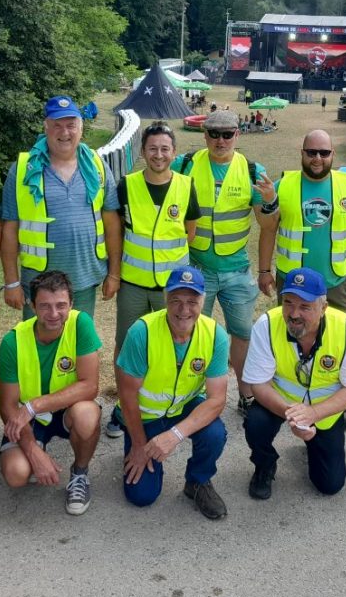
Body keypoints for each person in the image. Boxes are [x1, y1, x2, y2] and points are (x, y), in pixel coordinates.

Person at [172, 109, 278, 416]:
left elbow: (267, 225)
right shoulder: (185, 165)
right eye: (214, 134)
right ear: (204, 135)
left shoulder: (253, 171)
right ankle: (190, 396)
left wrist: (269, 201)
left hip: (236, 270)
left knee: (242, 334)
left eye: (227, 134)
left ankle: (246, 395)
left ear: (237, 135)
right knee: (190, 333)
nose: (221, 140)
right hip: (195, 269)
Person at [112, 266, 230, 519]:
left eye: (192, 301)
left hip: (183, 407)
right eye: (176, 300)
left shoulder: (215, 335)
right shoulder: (142, 332)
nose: (184, 310)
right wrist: (139, 446)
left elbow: (217, 399)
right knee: (142, 496)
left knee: (214, 433)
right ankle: (133, 442)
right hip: (144, 416)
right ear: (165, 299)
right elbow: (127, 395)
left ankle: (197, 481)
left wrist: (175, 434)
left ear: (203, 301)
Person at [106, 122, 200, 438]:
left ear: (174, 152)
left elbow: (189, 232)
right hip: (133, 283)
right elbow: (117, 231)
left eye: (164, 149)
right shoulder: (126, 185)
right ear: (143, 151)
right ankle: (124, 408)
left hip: (172, 288)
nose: (158, 155)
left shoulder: (186, 185)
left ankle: (166, 405)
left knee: (171, 345)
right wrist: (114, 274)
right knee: (126, 346)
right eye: (152, 148)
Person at [242, 268, 346, 499]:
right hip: (280, 402)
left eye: (305, 307)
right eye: (288, 303)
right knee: (255, 422)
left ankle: (316, 444)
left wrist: (313, 414)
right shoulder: (267, 325)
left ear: (323, 308)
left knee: (330, 485)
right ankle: (265, 464)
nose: (294, 314)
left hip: (324, 410)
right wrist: (293, 415)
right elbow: (258, 385)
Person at [0, 95, 121, 320]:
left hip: (83, 280)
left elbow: (112, 223)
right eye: (57, 125)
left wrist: (114, 274)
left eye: (71, 125)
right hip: (38, 283)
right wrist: (11, 282)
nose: (64, 132)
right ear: (46, 127)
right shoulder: (24, 169)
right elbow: (9, 228)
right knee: (38, 340)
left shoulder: (96, 165)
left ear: (81, 129)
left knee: (78, 338)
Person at [0, 270, 101, 515]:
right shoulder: (13, 341)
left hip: (62, 411)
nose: (54, 314)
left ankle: (79, 473)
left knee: (87, 414)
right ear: (32, 306)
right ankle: (37, 448)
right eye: (45, 306)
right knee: (16, 474)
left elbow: (90, 386)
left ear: (71, 304)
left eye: (61, 305)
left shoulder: (81, 324)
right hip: (29, 419)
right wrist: (32, 451)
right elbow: (7, 406)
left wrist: (34, 405)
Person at [258, 129, 346, 320]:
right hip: (293, 283)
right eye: (311, 152)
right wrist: (264, 271)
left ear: (333, 154)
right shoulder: (281, 186)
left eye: (324, 153)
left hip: (337, 283)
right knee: (293, 333)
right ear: (302, 153)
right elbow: (268, 231)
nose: (317, 158)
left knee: (340, 333)